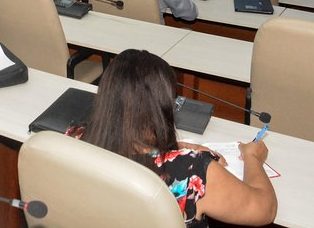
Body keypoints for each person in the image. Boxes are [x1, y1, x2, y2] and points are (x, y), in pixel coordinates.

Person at [67, 49, 277, 228]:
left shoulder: (75, 136)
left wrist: (175, 148)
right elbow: (265, 209)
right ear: (163, 107)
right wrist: (253, 158)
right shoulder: (192, 169)